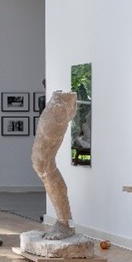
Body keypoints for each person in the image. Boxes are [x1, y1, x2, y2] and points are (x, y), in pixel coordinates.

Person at [32, 91, 78, 238]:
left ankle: (64, 221)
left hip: (59, 104)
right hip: (59, 103)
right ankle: (63, 220)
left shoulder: (59, 106)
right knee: (42, 164)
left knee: (44, 164)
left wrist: (63, 103)